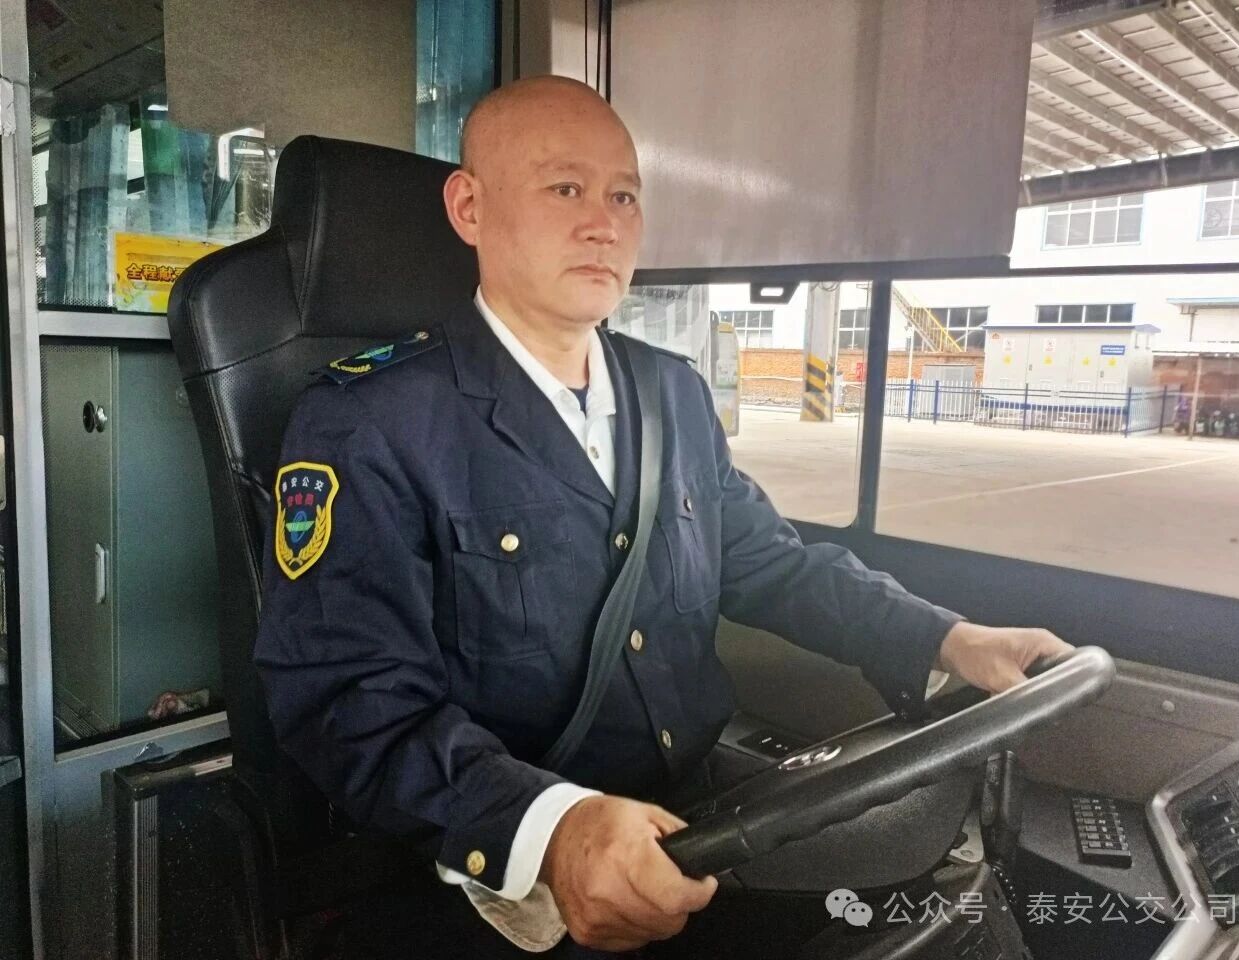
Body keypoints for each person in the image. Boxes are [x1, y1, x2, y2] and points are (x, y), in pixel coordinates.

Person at [254, 75, 1073, 957]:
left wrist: (945, 637)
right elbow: (349, 697)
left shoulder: (670, 393)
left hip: (700, 822)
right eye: (565, 189)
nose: (603, 225)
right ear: (470, 208)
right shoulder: (370, 422)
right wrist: (553, 828)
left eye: (624, 197)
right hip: (503, 859)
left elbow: (771, 564)